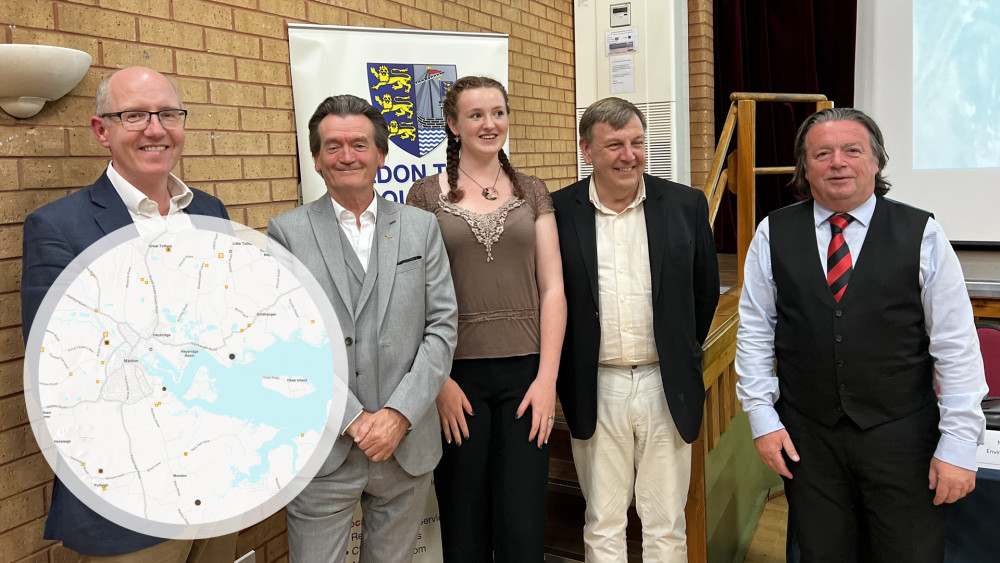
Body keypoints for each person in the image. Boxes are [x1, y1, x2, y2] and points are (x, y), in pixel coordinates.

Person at [736, 107, 988, 562]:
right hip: (807, 441)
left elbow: (956, 346)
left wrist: (958, 443)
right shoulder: (772, 234)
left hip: (903, 440)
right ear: (805, 168)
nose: (838, 162)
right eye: (822, 153)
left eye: (852, 150)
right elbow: (755, 334)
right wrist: (763, 420)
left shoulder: (923, 234)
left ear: (876, 162)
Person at [20, 67, 237, 561]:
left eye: (168, 114)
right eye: (134, 115)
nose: (155, 129)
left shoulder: (211, 212)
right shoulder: (59, 227)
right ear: (103, 131)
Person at [268, 94, 458, 562]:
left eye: (358, 144)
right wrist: (353, 419)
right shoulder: (286, 233)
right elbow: (283, 345)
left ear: (381, 154)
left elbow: (442, 327)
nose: (346, 155)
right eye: (333, 146)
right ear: (315, 158)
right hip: (323, 451)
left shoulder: (420, 228)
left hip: (406, 444)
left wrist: (398, 414)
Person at [406, 75, 566, 562]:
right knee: (463, 522)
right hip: (457, 379)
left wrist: (547, 380)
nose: (489, 123)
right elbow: (412, 297)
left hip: (527, 376)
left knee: (522, 525)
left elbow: (553, 288)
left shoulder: (533, 190)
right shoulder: (425, 197)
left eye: (498, 113)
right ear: (453, 124)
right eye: (476, 115)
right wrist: (438, 382)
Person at [552, 97, 720, 562]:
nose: (630, 155)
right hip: (595, 383)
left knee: (666, 524)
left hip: (664, 384)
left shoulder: (686, 205)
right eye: (614, 145)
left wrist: (679, 350)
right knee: (603, 523)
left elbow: (704, 293)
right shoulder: (558, 211)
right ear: (587, 151)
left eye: (637, 142)